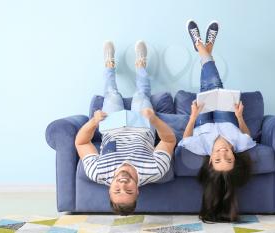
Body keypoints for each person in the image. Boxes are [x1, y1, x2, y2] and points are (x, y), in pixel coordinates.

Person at [75, 41, 176, 215]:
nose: (122, 184)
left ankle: (109, 64)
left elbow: (81, 143)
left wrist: (93, 121)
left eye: (117, 190)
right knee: (141, 95)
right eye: (128, 191)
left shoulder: (97, 172)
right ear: (137, 191)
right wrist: (154, 119)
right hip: (142, 126)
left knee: (112, 95)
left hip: (111, 126)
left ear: (109, 190)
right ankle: (141, 64)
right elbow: (169, 140)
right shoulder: (155, 170)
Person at [179, 20, 256, 222]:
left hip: (203, 121)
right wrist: (239, 116)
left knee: (207, 89)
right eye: (228, 159)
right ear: (234, 157)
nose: (222, 153)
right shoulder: (240, 144)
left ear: (210, 161)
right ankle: (201, 47)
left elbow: (185, 138)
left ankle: (203, 48)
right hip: (227, 119)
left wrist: (193, 117)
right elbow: (247, 134)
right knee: (215, 85)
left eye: (218, 159)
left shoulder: (201, 148)